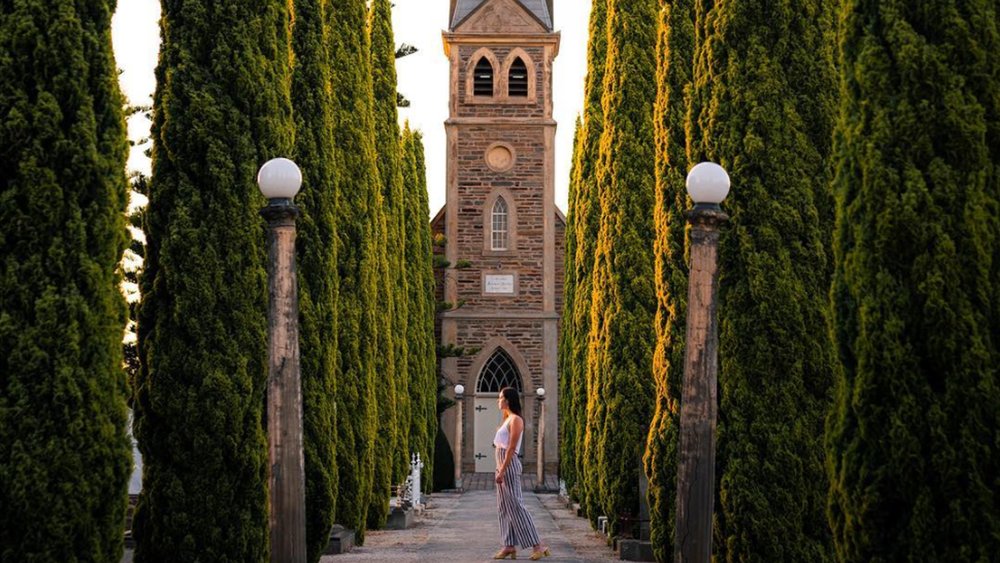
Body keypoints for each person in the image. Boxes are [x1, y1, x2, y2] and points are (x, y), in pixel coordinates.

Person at [493, 387, 550, 560]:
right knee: (503, 507)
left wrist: (502, 469)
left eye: (501, 397)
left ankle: (538, 545)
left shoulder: (516, 420)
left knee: (516, 506)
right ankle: (509, 545)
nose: (498, 400)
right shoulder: (507, 418)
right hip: (502, 464)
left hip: (508, 465)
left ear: (508, 400)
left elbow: (511, 447)